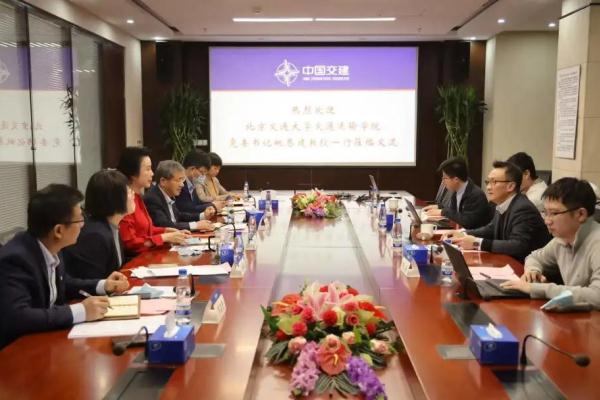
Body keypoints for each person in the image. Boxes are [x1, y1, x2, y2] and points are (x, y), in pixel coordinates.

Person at [0, 184, 129, 348]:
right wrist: (81, 311)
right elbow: (18, 317)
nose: (83, 224)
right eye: (80, 219)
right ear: (58, 231)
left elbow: (63, 283)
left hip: (46, 340)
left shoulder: (50, 246)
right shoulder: (15, 259)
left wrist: (103, 285)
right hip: (17, 350)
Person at [500, 178, 600, 308]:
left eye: (554, 213)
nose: (547, 221)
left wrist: (538, 289)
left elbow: (597, 296)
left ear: (580, 214)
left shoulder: (596, 242)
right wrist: (532, 271)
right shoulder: (561, 239)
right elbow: (534, 257)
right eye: (545, 213)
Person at [446, 161, 551, 262]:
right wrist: (463, 233)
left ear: (511, 186)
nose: (488, 187)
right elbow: (491, 229)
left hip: (526, 267)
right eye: (488, 182)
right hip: (508, 261)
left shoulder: (523, 208)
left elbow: (518, 245)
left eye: (494, 182)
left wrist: (477, 243)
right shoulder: (502, 203)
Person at [63, 170, 135, 279]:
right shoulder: (95, 236)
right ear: (115, 198)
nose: (133, 194)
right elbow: (94, 281)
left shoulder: (111, 225)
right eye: (129, 191)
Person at [117, 147, 188, 255]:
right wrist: (163, 237)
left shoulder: (137, 196)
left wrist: (166, 231)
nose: (152, 174)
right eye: (148, 169)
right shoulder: (125, 201)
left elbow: (146, 230)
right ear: (133, 172)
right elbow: (131, 243)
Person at [144, 160, 215, 231]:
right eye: (178, 180)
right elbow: (166, 226)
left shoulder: (169, 194)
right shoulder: (153, 198)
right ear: (163, 181)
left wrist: (203, 215)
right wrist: (196, 225)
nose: (182, 184)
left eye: (182, 180)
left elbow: (178, 215)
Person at [423, 157, 492, 229]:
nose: (442, 182)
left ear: (456, 179)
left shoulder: (475, 195)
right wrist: (439, 207)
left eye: (445, 178)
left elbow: (467, 221)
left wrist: (442, 212)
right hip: (459, 231)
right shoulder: (457, 189)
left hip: (471, 234)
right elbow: (454, 211)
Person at [175, 150, 222, 214]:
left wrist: (214, 204)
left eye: (205, 172)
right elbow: (188, 209)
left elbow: (198, 203)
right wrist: (213, 205)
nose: (203, 175)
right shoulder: (180, 184)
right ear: (192, 169)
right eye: (201, 172)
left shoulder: (191, 182)